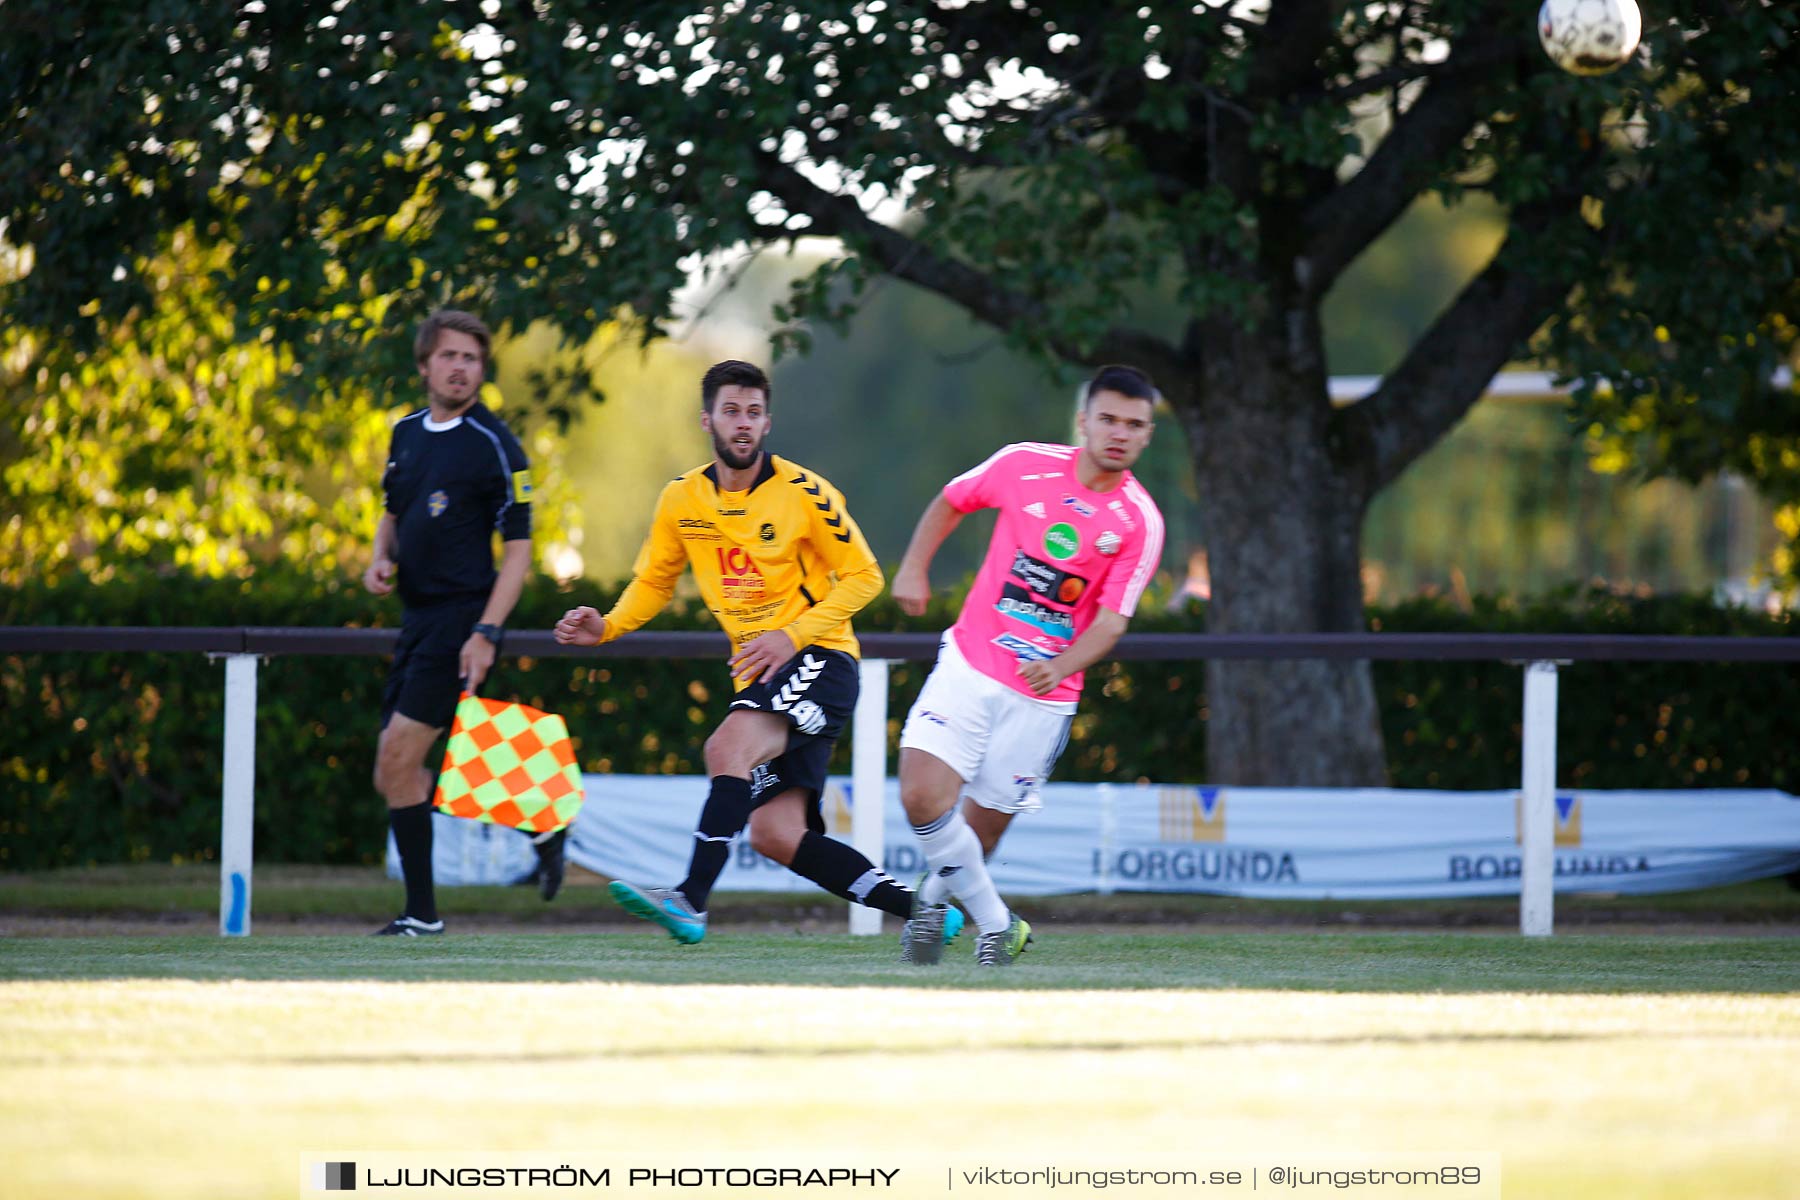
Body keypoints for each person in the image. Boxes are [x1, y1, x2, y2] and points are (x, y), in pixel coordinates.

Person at [553, 360, 961, 948]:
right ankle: (923, 910)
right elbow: (655, 582)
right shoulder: (681, 500)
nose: (742, 424)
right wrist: (609, 625)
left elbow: (865, 577)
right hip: (769, 672)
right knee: (776, 833)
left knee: (726, 747)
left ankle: (689, 901)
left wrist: (790, 636)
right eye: (730, 412)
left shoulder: (805, 492)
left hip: (820, 660)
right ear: (708, 420)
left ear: (767, 422)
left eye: (752, 413)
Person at [891, 364, 1165, 966]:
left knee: (980, 836)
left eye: (1134, 425)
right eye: (1109, 419)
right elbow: (952, 499)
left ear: (1147, 435)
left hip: (1043, 696)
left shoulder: (1140, 523)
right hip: (970, 660)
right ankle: (998, 924)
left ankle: (934, 902)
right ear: (1083, 421)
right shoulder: (1022, 464)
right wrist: (913, 566)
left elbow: (1113, 621)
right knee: (920, 796)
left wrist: (1059, 663)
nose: (1119, 433)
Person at [363, 309, 563, 936]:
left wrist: (487, 631)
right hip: (415, 619)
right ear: (425, 365)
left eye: (472, 358)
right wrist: (378, 559)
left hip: (460, 619)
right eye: (449, 356)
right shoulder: (405, 434)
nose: (460, 367)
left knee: (398, 759)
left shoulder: (496, 445)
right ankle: (542, 818)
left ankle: (421, 916)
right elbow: (393, 512)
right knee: (403, 767)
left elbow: (521, 552)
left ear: (483, 370)